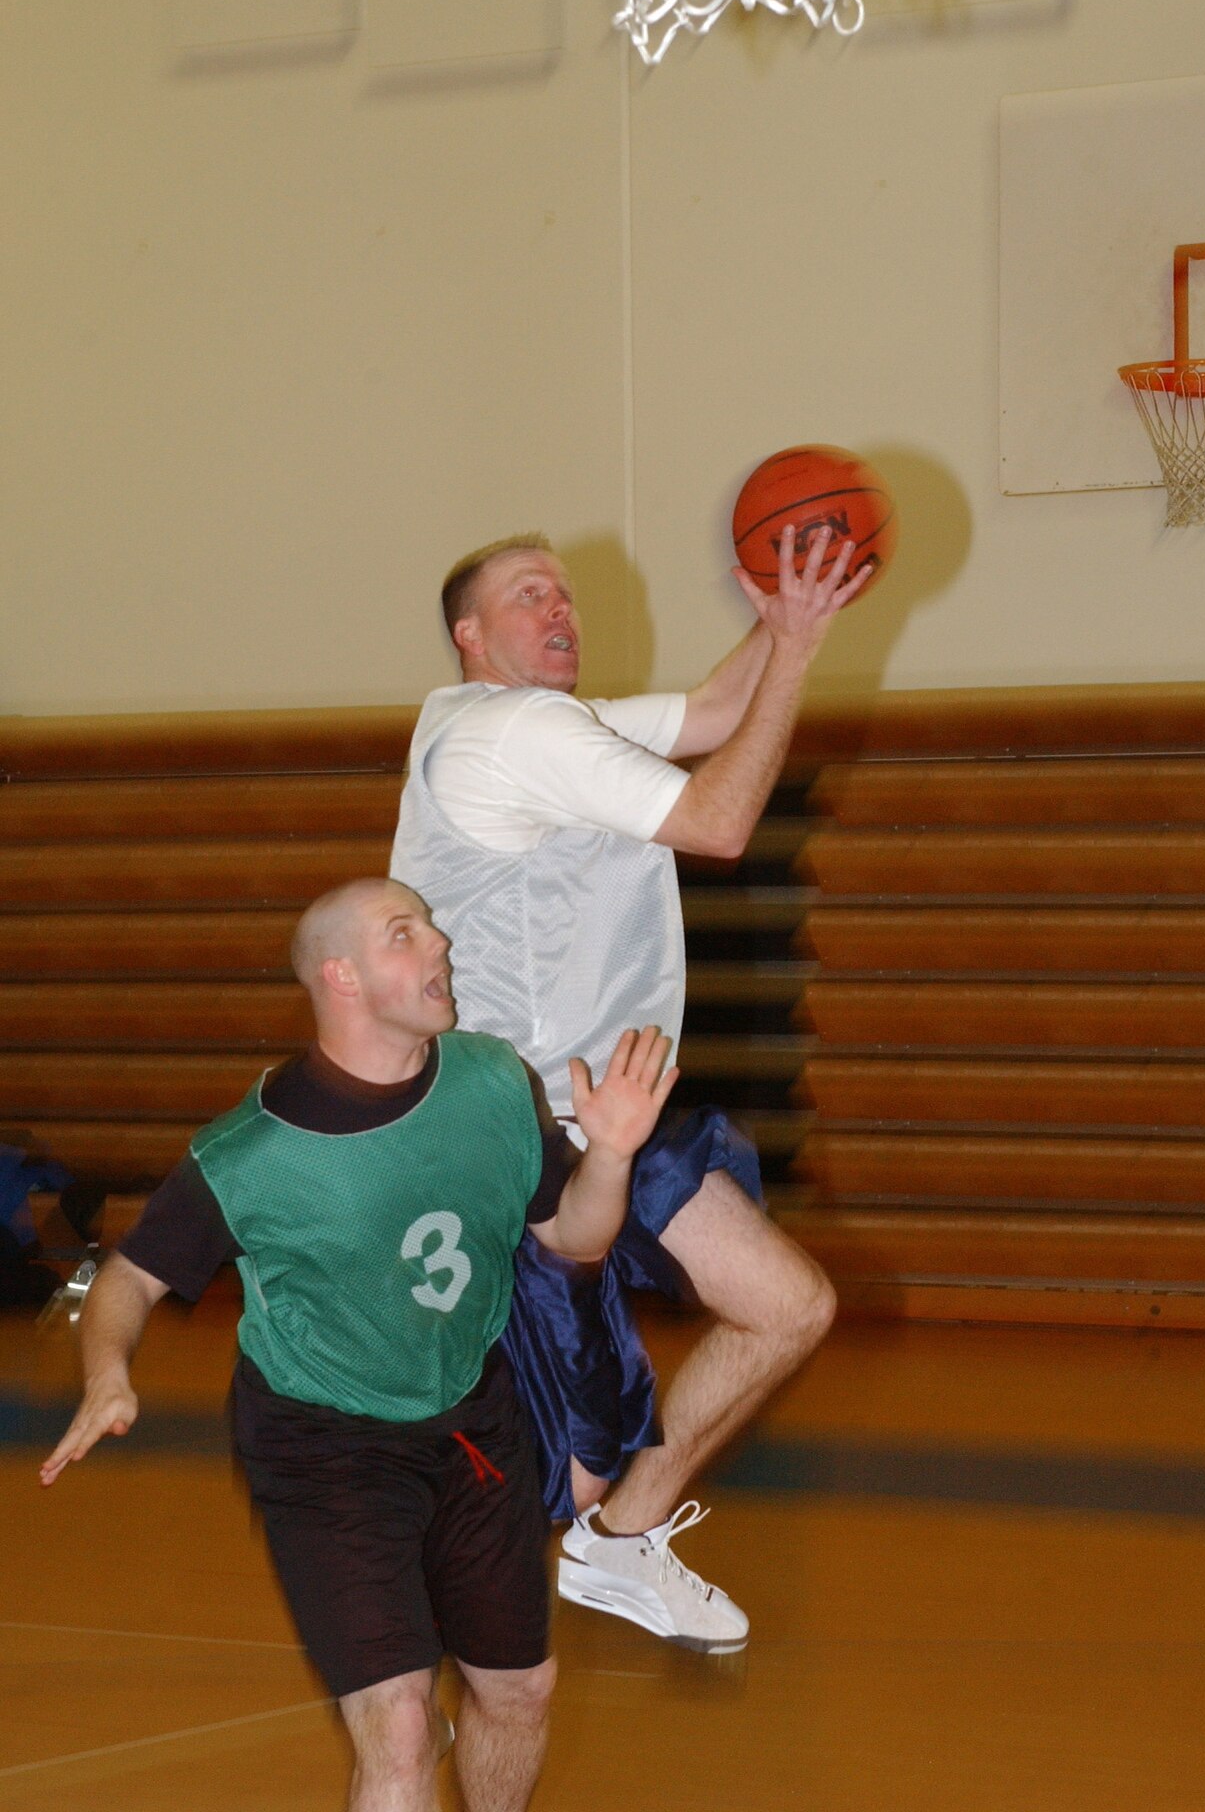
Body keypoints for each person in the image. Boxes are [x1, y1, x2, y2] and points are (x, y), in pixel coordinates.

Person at [40, 877, 676, 1812]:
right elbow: (130, 1276)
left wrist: (613, 1153)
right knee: (402, 1724)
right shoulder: (252, 1153)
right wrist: (107, 1375)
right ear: (340, 975)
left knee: (518, 1690)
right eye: (405, 933)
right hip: (323, 1444)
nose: (441, 945)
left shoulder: (493, 1079)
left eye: (431, 926)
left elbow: (571, 1237)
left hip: (472, 1422)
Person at [391, 520, 870, 1654]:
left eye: (562, 592)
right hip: (525, 1141)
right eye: (525, 595)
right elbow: (717, 816)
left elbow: (708, 715)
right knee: (548, 1460)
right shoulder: (510, 733)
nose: (557, 608)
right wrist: (797, 653)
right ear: (470, 634)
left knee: (790, 1303)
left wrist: (783, 607)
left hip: (611, 1110)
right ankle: (437, 1644)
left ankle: (620, 1541)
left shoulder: (557, 725)